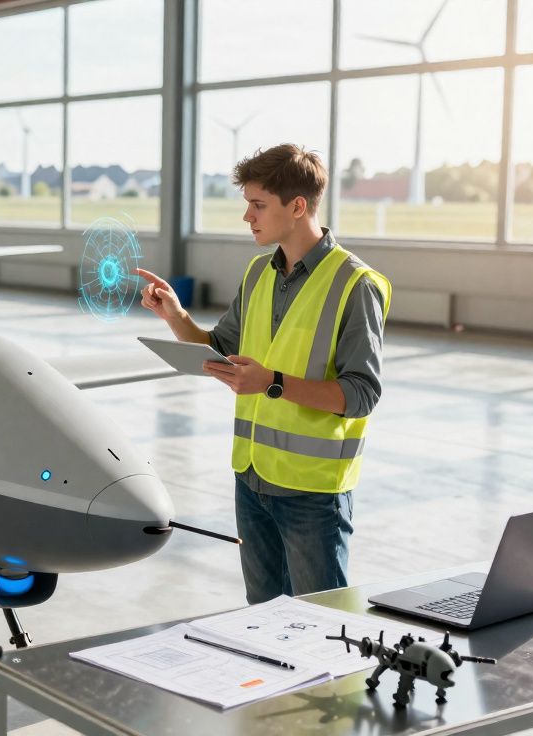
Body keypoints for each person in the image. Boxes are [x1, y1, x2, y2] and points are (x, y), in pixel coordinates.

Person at [136, 144, 391, 604]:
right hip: (251, 480)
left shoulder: (356, 285)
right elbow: (223, 350)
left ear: (296, 207)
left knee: (324, 624)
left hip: (312, 492)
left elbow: (361, 393)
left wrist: (272, 383)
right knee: (262, 618)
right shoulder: (259, 273)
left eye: (258, 205)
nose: (247, 216)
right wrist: (176, 317)